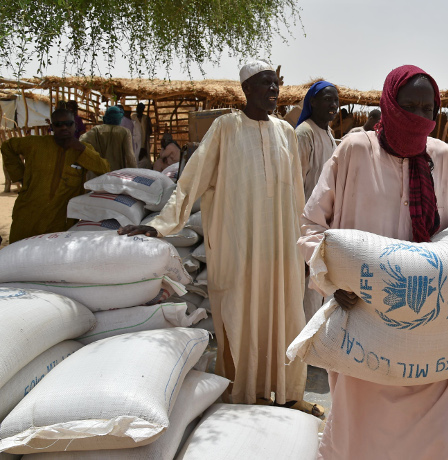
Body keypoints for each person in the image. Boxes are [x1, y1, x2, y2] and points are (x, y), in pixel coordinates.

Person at [299, 65, 448, 459]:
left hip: (434, 328)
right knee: (361, 433)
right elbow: (313, 226)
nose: (418, 116)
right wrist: (334, 279)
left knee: (433, 434)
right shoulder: (354, 151)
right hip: (364, 324)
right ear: (389, 104)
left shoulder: (442, 158)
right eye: (408, 105)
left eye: (426, 108)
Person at [118, 60, 322, 417]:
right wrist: (162, 224)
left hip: (280, 248)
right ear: (246, 89)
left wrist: (302, 246)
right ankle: (245, 394)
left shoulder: (286, 133)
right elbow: (192, 179)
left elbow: (297, 198)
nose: (273, 91)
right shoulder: (225, 128)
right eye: (264, 84)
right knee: (241, 315)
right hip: (239, 245)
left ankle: (288, 393)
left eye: (276, 84)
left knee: (285, 315)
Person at [1, 108, 109, 243]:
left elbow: (104, 169)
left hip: (60, 219)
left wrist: (80, 148)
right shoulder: (35, 144)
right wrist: (20, 176)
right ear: (52, 127)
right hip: (28, 214)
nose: (64, 127)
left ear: (75, 126)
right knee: (18, 255)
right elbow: (7, 146)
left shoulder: (83, 149)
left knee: (51, 259)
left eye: (68, 124)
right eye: (58, 124)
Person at [295, 80, 339, 320]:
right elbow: (295, 187)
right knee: (306, 298)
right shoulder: (304, 134)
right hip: (306, 228)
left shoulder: (329, 135)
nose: (333, 105)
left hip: (324, 228)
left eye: (335, 100)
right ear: (312, 103)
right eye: (327, 99)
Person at [80, 106, 136, 172]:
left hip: (99, 171)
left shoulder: (96, 130)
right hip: (117, 172)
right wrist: (134, 171)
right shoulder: (124, 132)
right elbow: (129, 156)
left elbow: (82, 140)